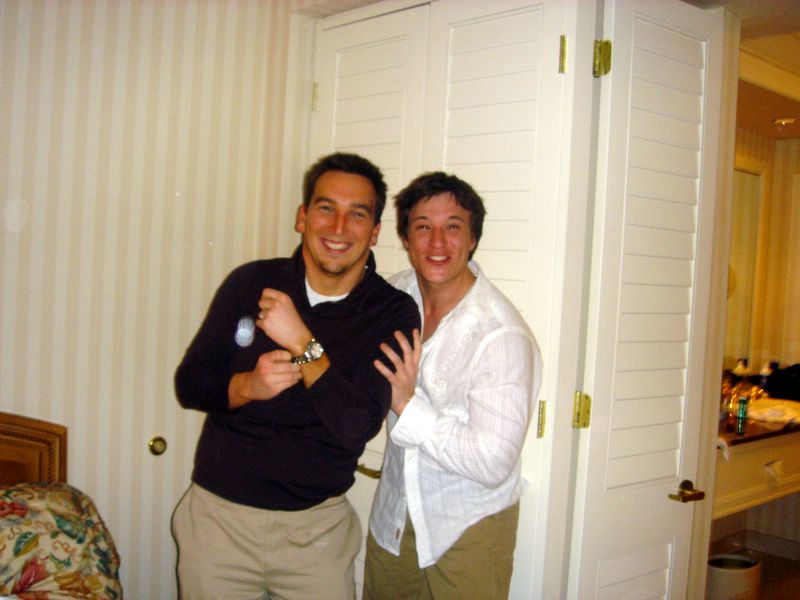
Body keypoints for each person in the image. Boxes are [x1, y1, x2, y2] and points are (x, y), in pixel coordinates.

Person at [172, 152, 421, 600]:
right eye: (326, 208)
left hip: (318, 536)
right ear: (303, 217)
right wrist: (246, 386)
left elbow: (356, 426)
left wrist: (302, 342)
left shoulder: (392, 312)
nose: (338, 227)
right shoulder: (250, 283)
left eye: (357, 214)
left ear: (375, 231)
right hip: (218, 525)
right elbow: (189, 384)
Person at [363, 172, 542, 600]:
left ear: (473, 238)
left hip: (468, 526)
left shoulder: (500, 335)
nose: (437, 242)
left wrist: (406, 406)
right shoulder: (396, 294)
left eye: (453, 227)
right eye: (423, 226)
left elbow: (493, 461)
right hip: (395, 517)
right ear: (406, 238)